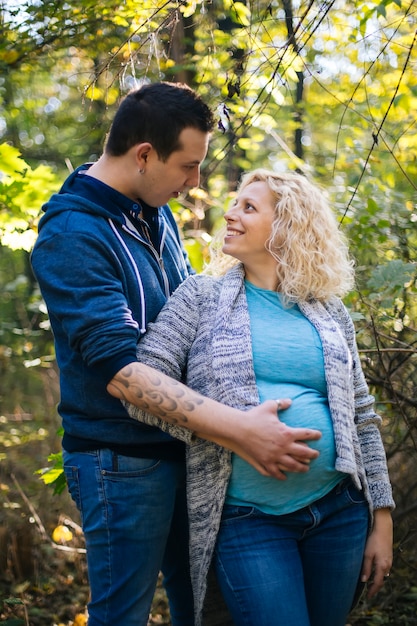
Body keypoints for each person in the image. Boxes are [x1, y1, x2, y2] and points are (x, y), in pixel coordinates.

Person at [30, 83, 321, 626]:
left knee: (209, 610)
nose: (195, 183)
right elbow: (124, 375)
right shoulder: (72, 233)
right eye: (188, 166)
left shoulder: (151, 209)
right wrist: (240, 429)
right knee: (123, 616)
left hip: (191, 452)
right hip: (122, 463)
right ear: (144, 155)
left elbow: (193, 320)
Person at [118, 169, 394, 626]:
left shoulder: (328, 310)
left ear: (287, 225)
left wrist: (380, 516)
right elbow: (141, 385)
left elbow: (362, 415)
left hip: (339, 509)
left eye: (249, 207)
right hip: (248, 518)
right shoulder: (201, 297)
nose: (230, 214)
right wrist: (234, 429)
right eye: (234, 204)